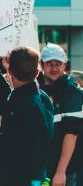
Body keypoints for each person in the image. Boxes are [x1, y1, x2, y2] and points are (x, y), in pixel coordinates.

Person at [0, 38, 54, 186]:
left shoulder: (27, 106)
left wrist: (2, 180)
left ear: (10, 71)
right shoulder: (38, 98)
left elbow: (26, 158)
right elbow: (5, 93)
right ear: (37, 72)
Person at [40, 43, 83, 186]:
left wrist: (61, 172)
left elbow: (71, 134)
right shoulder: (36, 88)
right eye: (49, 64)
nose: (54, 68)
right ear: (41, 64)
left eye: (58, 64)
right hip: (41, 168)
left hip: (66, 171)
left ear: (64, 64)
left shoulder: (72, 92)